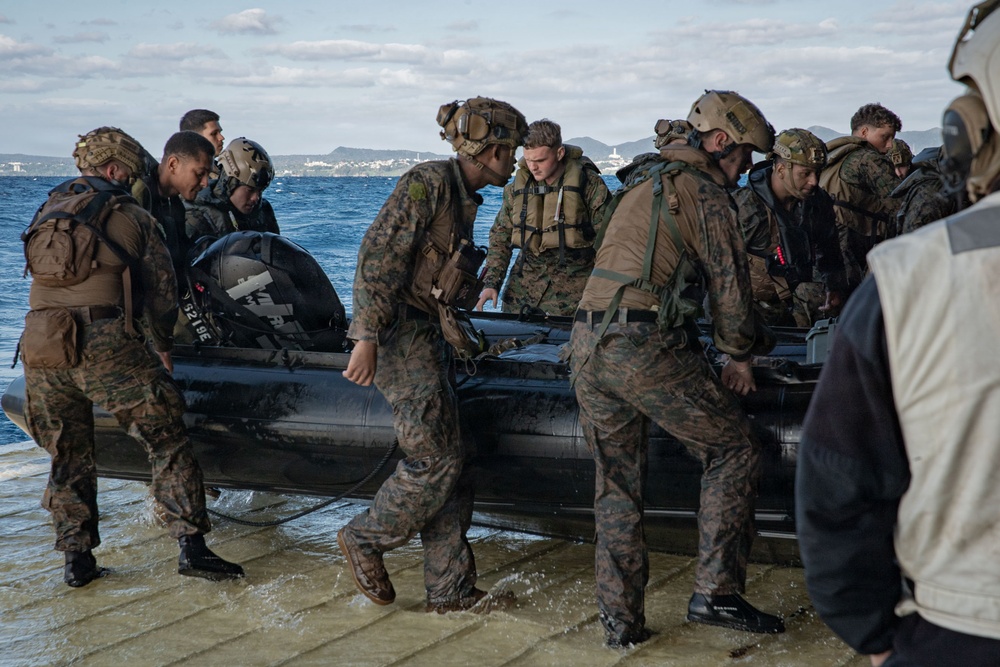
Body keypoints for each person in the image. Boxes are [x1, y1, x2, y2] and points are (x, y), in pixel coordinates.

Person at [797, 3, 1000, 664]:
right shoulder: (893, 234)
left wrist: (876, 637)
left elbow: (835, 486)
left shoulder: (910, 278)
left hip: (960, 623)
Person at [566, 90, 784, 648]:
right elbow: (730, 290)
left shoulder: (645, 181)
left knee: (616, 486)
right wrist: (739, 355)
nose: (746, 169)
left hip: (587, 342)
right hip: (640, 344)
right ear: (720, 143)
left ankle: (621, 626)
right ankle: (717, 592)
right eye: (744, 156)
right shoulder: (704, 192)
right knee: (734, 449)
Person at [19, 127, 243, 587]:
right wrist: (162, 347)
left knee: (67, 454)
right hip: (102, 341)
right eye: (129, 171)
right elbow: (162, 294)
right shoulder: (130, 214)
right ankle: (192, 547)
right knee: (166, 435)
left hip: (40, 343)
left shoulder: (50, 208)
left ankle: (77, 561)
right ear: (113, 169)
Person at [338, 97, 527, 613]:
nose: (514, 161)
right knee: (435, 459)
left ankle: (450, 589)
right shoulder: (428, 184)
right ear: (490, 150)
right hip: (400, 336)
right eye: (510, 150)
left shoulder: (461, 197)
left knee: (453, 460)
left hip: (426, 335)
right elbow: (378, 257)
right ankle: (366, 537)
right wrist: (366, 337)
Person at [475, 119, 610, 316]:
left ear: (559, 153)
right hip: (522, 290)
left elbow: (610, 242)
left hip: (575, 293)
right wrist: (491, 283)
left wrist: (602, 292)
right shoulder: (517, 189)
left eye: (540, 161)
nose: (533, 167)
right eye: (528, 160)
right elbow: (500, 236)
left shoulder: (589, 185)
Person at [733, 128, 847, 327]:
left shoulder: (816, 203)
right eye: (805, 173)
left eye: (817, 173)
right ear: (780, 170)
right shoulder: (744, 207)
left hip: (799, 302)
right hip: (749, 308)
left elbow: (829, 250)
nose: (814, 181)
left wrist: (833, 287)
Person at [819, 102, 903, 291]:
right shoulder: (869, 159)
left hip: (827, 245)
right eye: (885, 137)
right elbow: (900, 205)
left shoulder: (835, 154)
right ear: (864, 132)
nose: (890, 145)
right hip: (850, 246)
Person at [133, 131, 215, 276]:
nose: (205, 183)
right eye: (200, 174)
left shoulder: (175, 204)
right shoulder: (139, 199)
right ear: (173, 164)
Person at [184, 137, 279, 242]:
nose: (255, 198)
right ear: (230, 184)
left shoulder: (263, 212)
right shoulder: (198, 215)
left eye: (260, 191)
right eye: (250, 190)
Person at [892, 146, 963, 235]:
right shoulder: (927, 192)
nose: (898, 173)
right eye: (895, 168)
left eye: (901, 166)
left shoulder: (930, 183)